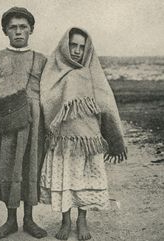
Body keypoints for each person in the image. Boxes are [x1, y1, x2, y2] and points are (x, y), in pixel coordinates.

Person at [40, 27, 127, 241]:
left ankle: (82, 219)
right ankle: (65, 220)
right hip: (63, 140)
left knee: (84, 177)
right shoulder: (54, 70)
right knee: (65, 178)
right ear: (64, 46)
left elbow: (107, 103)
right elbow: (46, 100)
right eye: (73, 45)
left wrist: (114, 135)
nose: (77, 51)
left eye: (82, 46)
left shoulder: (92, 72)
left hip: (88, 138)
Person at [0, 7, 47, 240]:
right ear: (5, 31)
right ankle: (10, 220)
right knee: (7, 167)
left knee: (30, 166)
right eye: (13, 27)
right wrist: (5, 114)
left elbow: (48, 93)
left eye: (23, 27)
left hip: (33, 127)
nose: (18, 32)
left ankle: (29, 219)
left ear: (31, 30)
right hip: (5, 127)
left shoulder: (41, 60)